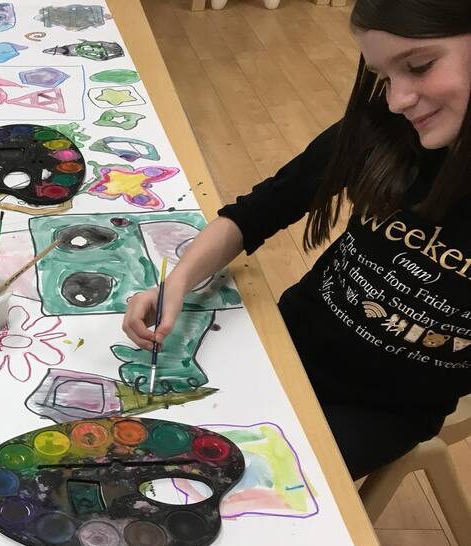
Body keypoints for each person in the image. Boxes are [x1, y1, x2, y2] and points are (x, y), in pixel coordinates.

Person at [123, 0, 471, 480]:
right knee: (141, 430)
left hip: (379, 413)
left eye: (418, 66)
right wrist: (178, 281)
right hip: (285, 341)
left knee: (220, 479)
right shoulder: (383, 131)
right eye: (385, 77)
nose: (397, 100)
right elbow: (254, 214)